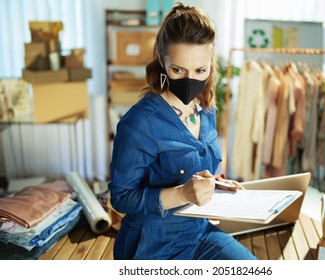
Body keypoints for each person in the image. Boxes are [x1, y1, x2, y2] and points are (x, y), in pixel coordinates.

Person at [108, 3, 256, 260]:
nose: (190, 80)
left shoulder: (207, 109)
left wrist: (218, 185)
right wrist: (182, 194)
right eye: (178, 70)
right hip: (151, 244)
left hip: (200, 233)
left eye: (201, 70)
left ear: (211, 63)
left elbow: (197, 167)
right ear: (160, 59)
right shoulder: (139, 123)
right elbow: (121, 198)